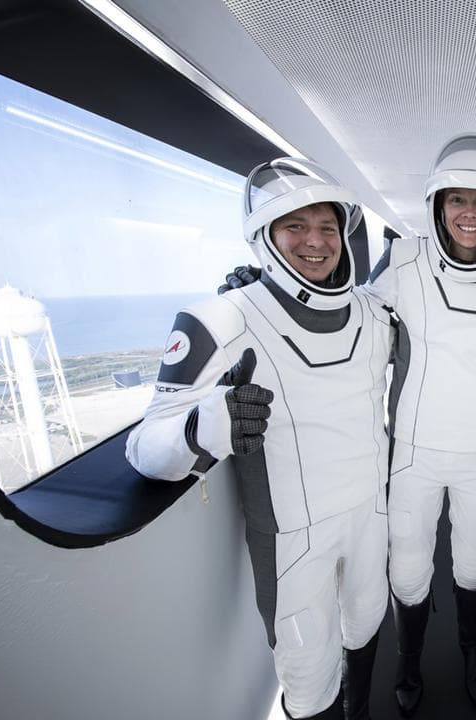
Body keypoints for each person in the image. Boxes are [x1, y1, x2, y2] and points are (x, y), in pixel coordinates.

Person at [126, 159, 394, 720]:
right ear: (262, 236)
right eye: (294, 226)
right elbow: (146, 449)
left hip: (372, 513)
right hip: (292, 538)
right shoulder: (219, 319)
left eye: (327, 227)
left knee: (367, 625)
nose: (315, 242)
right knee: (306, 676)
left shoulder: (375, 312)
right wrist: (205, 424)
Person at [368, 133, 476, 715]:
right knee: (407, 568)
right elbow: (355, 319)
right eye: (457, 199)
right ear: (437, 206)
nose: (469, 213)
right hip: (411, 450)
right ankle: (409, 661)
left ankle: (471, 650)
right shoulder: (402, 260)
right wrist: (267, 296)